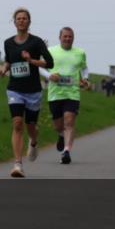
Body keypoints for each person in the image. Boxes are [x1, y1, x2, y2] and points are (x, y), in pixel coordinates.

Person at [0, 8, 53, 178]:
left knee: (31, 126)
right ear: (14, 22)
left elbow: (49, 63)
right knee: (17, 123)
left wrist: (31, 60)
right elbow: (9, 60)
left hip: (33, 91)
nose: (21, 21)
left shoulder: (36, 42)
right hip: (15, 88)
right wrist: (4, 67)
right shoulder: (8, 42)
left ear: (29, 22)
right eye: (18, 18)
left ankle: (34, 141)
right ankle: (17, 164)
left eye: (24, 18)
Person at [43, 27, 89, 165]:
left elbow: (84, 67)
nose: (68, 39)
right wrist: (49, 75)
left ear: (73, 38)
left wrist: (86, 78)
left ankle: (66, 151)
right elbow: (40, 67)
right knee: (58, 125)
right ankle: (61, 135)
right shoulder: (51, 51)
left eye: (70, 37)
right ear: (60, 37)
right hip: (55, 94)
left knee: (69, 121)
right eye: (65, 36)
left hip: (72, 93)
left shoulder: (80, 53)